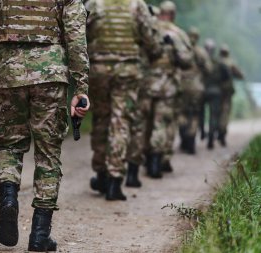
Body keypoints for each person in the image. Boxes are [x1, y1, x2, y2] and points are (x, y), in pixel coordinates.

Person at [0, 0, 90, 251]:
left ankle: (9, 196)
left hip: (7, 72)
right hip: (51, 73)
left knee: (9, 143)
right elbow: (76, 35)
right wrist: (81, 87)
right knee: (48, 153)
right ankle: (39, 235)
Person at [86, 0, 162, 200]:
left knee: (101, 119)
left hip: (98, 71)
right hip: (127, 71)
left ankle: (100, 174)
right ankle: (114, 181)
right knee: (121, 122)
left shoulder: (94, 3)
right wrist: (154, 53)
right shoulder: (137, 5)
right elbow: (152, 41)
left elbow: (78, 32)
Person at [142, 0, 193, 178]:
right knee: (161, 123)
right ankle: (156, 162)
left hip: (144, 85)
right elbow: (187, 61)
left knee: (144, 124)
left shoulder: (148, 29)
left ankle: (143, 158)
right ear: (173, 14)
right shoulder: (178, 34)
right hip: (167, 87)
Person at [178, 27, 212, 154]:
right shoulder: (201, 52)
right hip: (196, 88)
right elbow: (209, 70)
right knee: (195, 114)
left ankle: (183, 135)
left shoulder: (181, 50)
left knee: (181, 113)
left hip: (181, 86)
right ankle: (191, 139)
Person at [203, 39, 228, 149]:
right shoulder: (219, 63)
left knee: (198, 113)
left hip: (203, 91)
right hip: (216, 92)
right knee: (214, 116)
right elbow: (226, 76)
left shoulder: (201, 61)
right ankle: (211, 138)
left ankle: (201, 132)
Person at [218, 44, 245, 146]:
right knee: (225, 111)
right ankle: (222, 131)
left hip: (216, 91)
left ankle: (215, 130)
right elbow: (240, 75)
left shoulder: (216, 62)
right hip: (227, 91)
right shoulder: (231, 63)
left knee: (216, 112)